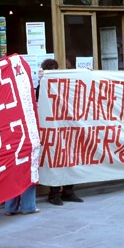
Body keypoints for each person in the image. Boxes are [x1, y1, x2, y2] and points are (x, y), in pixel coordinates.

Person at [36, 58, 84, 206]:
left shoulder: (65, 86)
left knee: (69, 159)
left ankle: (69, 191)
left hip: (67, 128)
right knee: (54, 161)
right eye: (50, 69)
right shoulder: (40, 87)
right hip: (52, 130)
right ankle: (54, 193)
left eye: (55, 69)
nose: (54, 72)